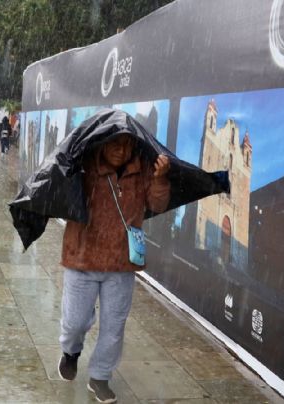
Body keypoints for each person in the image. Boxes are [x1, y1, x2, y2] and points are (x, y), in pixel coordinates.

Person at [57, 133, 170, 403]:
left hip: (121, 264)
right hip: (82, 257)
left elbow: (157, 204)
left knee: (113, 326)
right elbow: (62, 199)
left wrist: (160, 179)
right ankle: (71, 352)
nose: (121, 151)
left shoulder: (143, 169)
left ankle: (100, 376)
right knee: (75, 322)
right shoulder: (82, 165)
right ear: (102, 143)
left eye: (127, 145)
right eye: (115, 144)